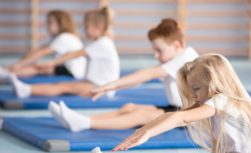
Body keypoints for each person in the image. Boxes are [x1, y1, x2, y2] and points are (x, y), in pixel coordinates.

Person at [90, 54, 251, 153]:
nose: (193, 95)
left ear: (214, 84)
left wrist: (147, 133)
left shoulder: (221, 100)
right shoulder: (220, 101)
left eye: (196, 89)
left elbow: (180, 117)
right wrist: (140, 131)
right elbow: (173, 116)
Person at [49, 18, 199, 132]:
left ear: (177, 45)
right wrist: (106, 88)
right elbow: (137, 81)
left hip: (189, 116)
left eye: (159, 50)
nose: (155, 55)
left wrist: (107, 87)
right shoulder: (177, 57)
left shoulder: (185, 59)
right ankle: (82, 120)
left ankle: (85, 123)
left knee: (139, 115)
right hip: (175, 108)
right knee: (129, 107)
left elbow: (146, 74)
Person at [9, 6, 120, 98]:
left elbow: (74, 54)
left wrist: (52, 63)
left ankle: (26, 90)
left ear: (98, 26)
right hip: (95, 84)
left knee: (62, 87)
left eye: (86, 27)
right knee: (63, 85)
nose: (84, 30)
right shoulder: (99, 42)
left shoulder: (103, 43)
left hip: (102, 88)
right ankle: (26, 89)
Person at [2, 10, 86, 79]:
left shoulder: (65, 37)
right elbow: (36, 51)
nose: (47, 25)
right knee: (35, 64)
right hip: (67, 69)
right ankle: (7, 72)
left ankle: (6, 74)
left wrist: (18, 65)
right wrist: (19, 63)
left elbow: (40, 53)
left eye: (50, 22)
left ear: (61, 24)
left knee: (38, 68)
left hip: (73, 72)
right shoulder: (57, 38)